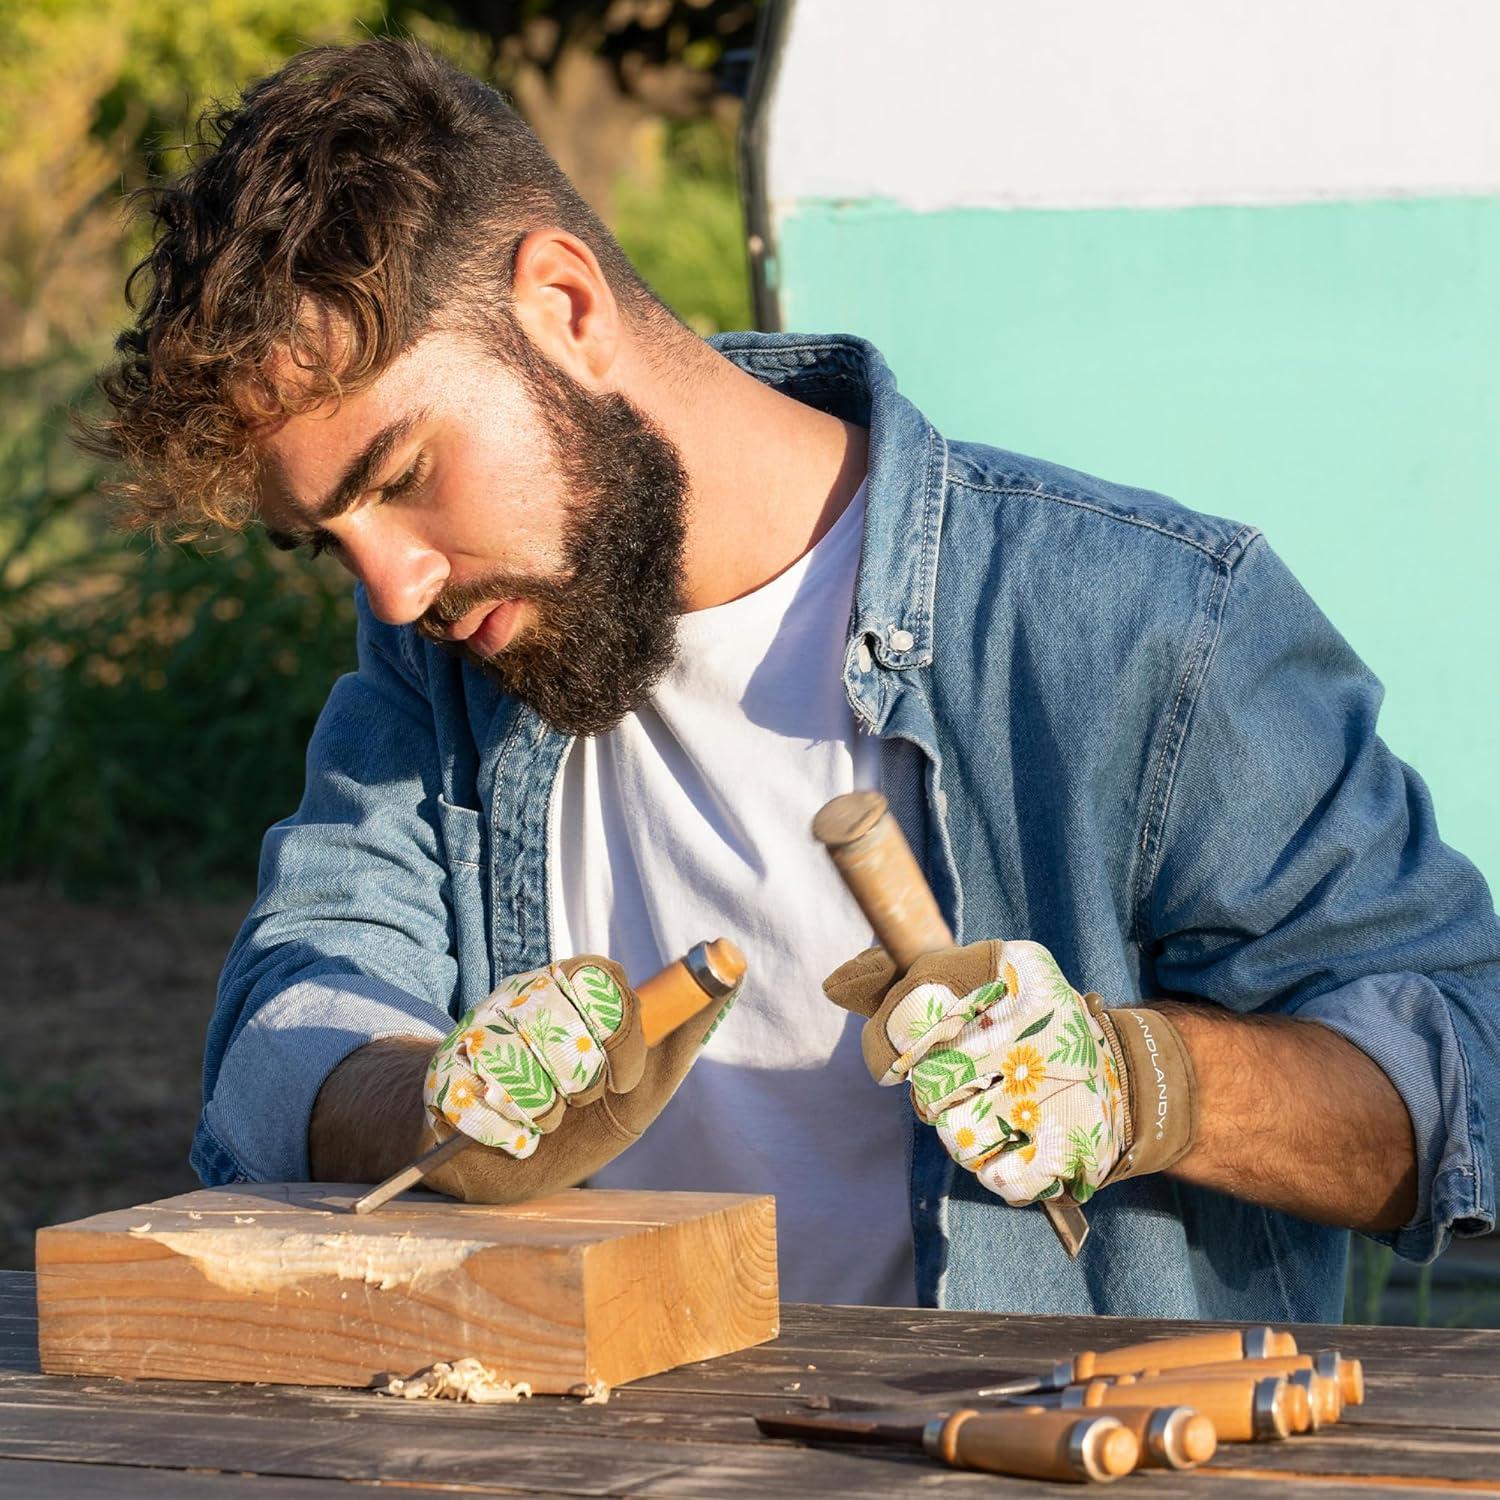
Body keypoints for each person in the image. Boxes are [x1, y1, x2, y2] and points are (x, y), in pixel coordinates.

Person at [91, 38, 1500, 1321]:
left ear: (564, 305)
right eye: (326, 539)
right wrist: (439, 1109)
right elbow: (292, 1017)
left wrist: (1151, 1086)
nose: (390, 584)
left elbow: (1465, 1075)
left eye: (400, 479)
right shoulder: (435, 661)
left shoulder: (1144, 623)